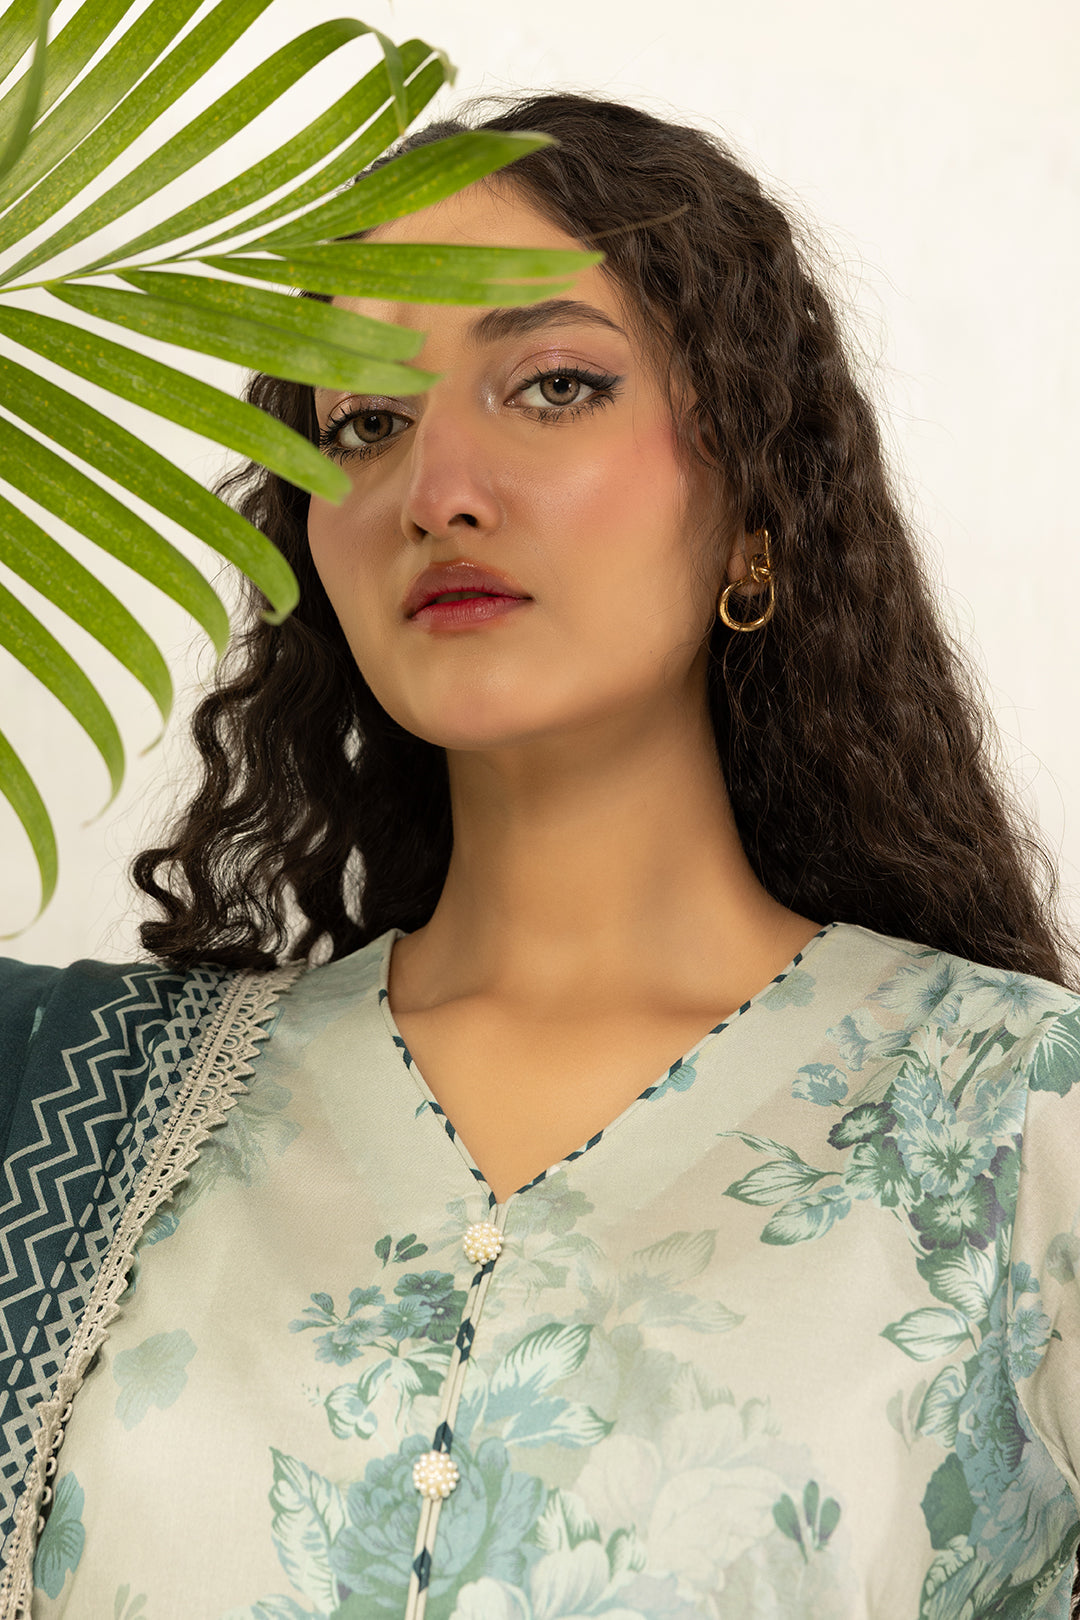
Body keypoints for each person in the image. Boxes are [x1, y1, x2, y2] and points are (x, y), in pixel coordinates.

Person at [1, 91, 1078, 1620]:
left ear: (756, 506)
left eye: (555, 386)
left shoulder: (1021, 1126)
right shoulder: (68, 1107)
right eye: (364, 424)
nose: (437, 489)